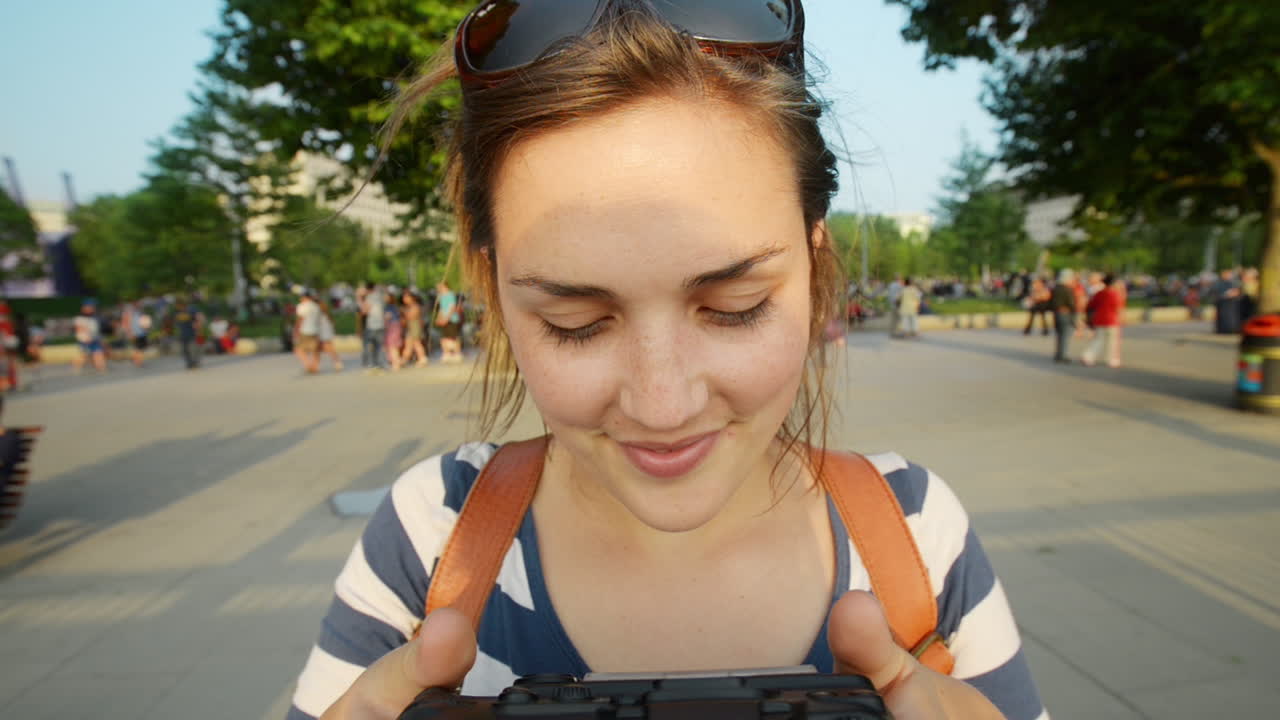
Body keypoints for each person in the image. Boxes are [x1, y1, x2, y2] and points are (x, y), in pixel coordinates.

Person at [288, 4, 1044, 720]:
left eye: (735, 306)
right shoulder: (431, 537)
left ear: (816, 263)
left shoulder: (917, 533)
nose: (662, 404)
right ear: (495, 288)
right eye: (574, 322)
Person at [1081, 274, 1125, 368]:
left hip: (1099, 319)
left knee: (1098, 340)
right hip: (1112, 320)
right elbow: (1118, 307)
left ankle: (1088, 356)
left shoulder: (1099, 293)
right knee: (1112, 341)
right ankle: (1112, 360)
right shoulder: (1115, 293)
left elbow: (1090, 305)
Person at [72, 300, 108, 373]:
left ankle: (102, 371)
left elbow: (96, 331)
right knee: (83, 358)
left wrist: (101, 340)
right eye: (90, 307)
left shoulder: (94, 318)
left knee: (99, 355)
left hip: (95, 340)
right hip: (85, 340)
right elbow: (78, 329)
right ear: (84, 308)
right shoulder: (79, 318)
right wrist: (86, 337)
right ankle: (75, 370)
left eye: (93, 307)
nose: (92, 309)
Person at [1049, 269, 1077, 364]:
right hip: (1065, 313)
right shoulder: (1067, 289)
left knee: (1060, 335)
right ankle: (1063, 355)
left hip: (1057, 313)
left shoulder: (1056, 288)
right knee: (1065, 335)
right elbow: (1071, 303)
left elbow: (1051, 302)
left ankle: (1058, 354)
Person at [435, 280, 464, 363]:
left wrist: (446, 319)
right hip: (444, 319)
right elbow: (441, 309)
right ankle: (447, 353)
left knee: (453, 336)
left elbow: (452, 308)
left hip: (452, 319)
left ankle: (457, 353)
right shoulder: (441, 296)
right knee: (444, 337)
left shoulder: (451, 295)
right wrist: (438, 318)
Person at [294, 290, 322, 374]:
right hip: (315, 330)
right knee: (315, 349)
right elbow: (318, 319)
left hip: (305, 330)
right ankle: (315, 366)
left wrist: (296, 330)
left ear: (304, 297)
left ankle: (308, 365)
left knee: (298, 350)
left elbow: (300, 319)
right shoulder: (316, 306)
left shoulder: (302, 306)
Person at [361, 283, 386, 370]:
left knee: (368, 346)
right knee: (379, 346)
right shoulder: (380, 296)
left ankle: (369, 364)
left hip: (371, 325)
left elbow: (364, 311)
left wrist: (360, 299)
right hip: (381, 324)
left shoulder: (368, 298)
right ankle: (379, 364)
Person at [401, 290, 430, 367]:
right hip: (410, 327)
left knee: (416, 343)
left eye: (406, 297)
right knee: (409, 344)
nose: (404, 299)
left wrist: (404, 313)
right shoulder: (409, 307)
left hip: (415, 327)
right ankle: (404, 360)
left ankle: (422, 358)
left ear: (412, 298)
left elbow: (411, 316)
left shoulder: (415, 306)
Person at [173, 298, 204, 370]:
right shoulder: (177, 312)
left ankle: (195, 362)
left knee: (193, 349)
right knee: (184, 350)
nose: (177, 307)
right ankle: (189, 363)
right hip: (182, 334)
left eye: (178, 305)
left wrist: (199, 326)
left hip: (192, 333)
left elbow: (199, 317)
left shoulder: (191, 309)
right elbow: (176, 322)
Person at [317, 299, 345, 372]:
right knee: (324, 349)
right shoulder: (326, 314)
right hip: (327, 333)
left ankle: (338, 363)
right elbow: (332, 324)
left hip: (323, 334)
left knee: (328, 349)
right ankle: (316, 365)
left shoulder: (320, 315)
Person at [122, 300, 152, 367]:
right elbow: (126, 323)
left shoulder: (139, 311)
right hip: (135, 333)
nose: (139, 304)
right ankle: (138, 362)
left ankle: (136, 360)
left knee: (140, 347)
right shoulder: (129, 312)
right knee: (139, 347)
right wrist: (129, 333)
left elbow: (144, 321)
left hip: (142, 332)